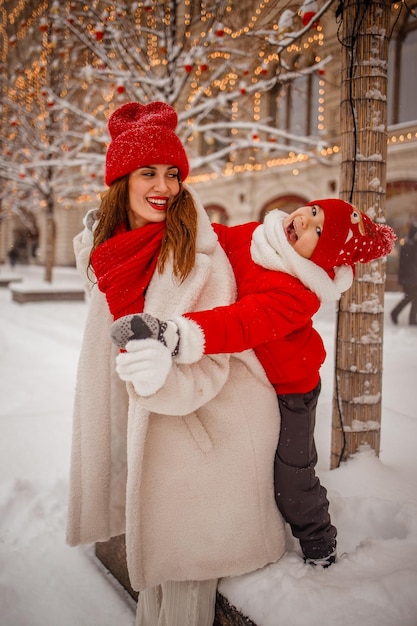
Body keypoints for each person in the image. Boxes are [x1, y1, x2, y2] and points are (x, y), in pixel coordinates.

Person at [66, 101, 286, 626]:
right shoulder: (112, 253)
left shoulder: (197, 258)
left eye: (172, 173)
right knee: (156, 590)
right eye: (148, 173)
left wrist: (165, 378)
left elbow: (219, 361)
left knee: (183, 591)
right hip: (152, 433)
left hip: (208, 437)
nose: (163, 185)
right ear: (122, 181)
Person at [110, 198, 396, 569]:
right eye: (313, 212)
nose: (305, 222)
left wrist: (173, 335)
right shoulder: (256, 236)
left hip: (292, 387)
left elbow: (242, 322)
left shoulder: (298, 292)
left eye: (319, 232)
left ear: (324, 259)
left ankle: (319, 543)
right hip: (249, 373)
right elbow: (207, 239)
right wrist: (131, 229)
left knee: (291, 478)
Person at [391, 223, 417, 326]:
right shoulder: (409, 246)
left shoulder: (410, 245)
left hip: (412, 277)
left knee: (413, 297)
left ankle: (412, 319)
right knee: (409, 297)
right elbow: (408, 264)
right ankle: (394, 313)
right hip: (410, 278)